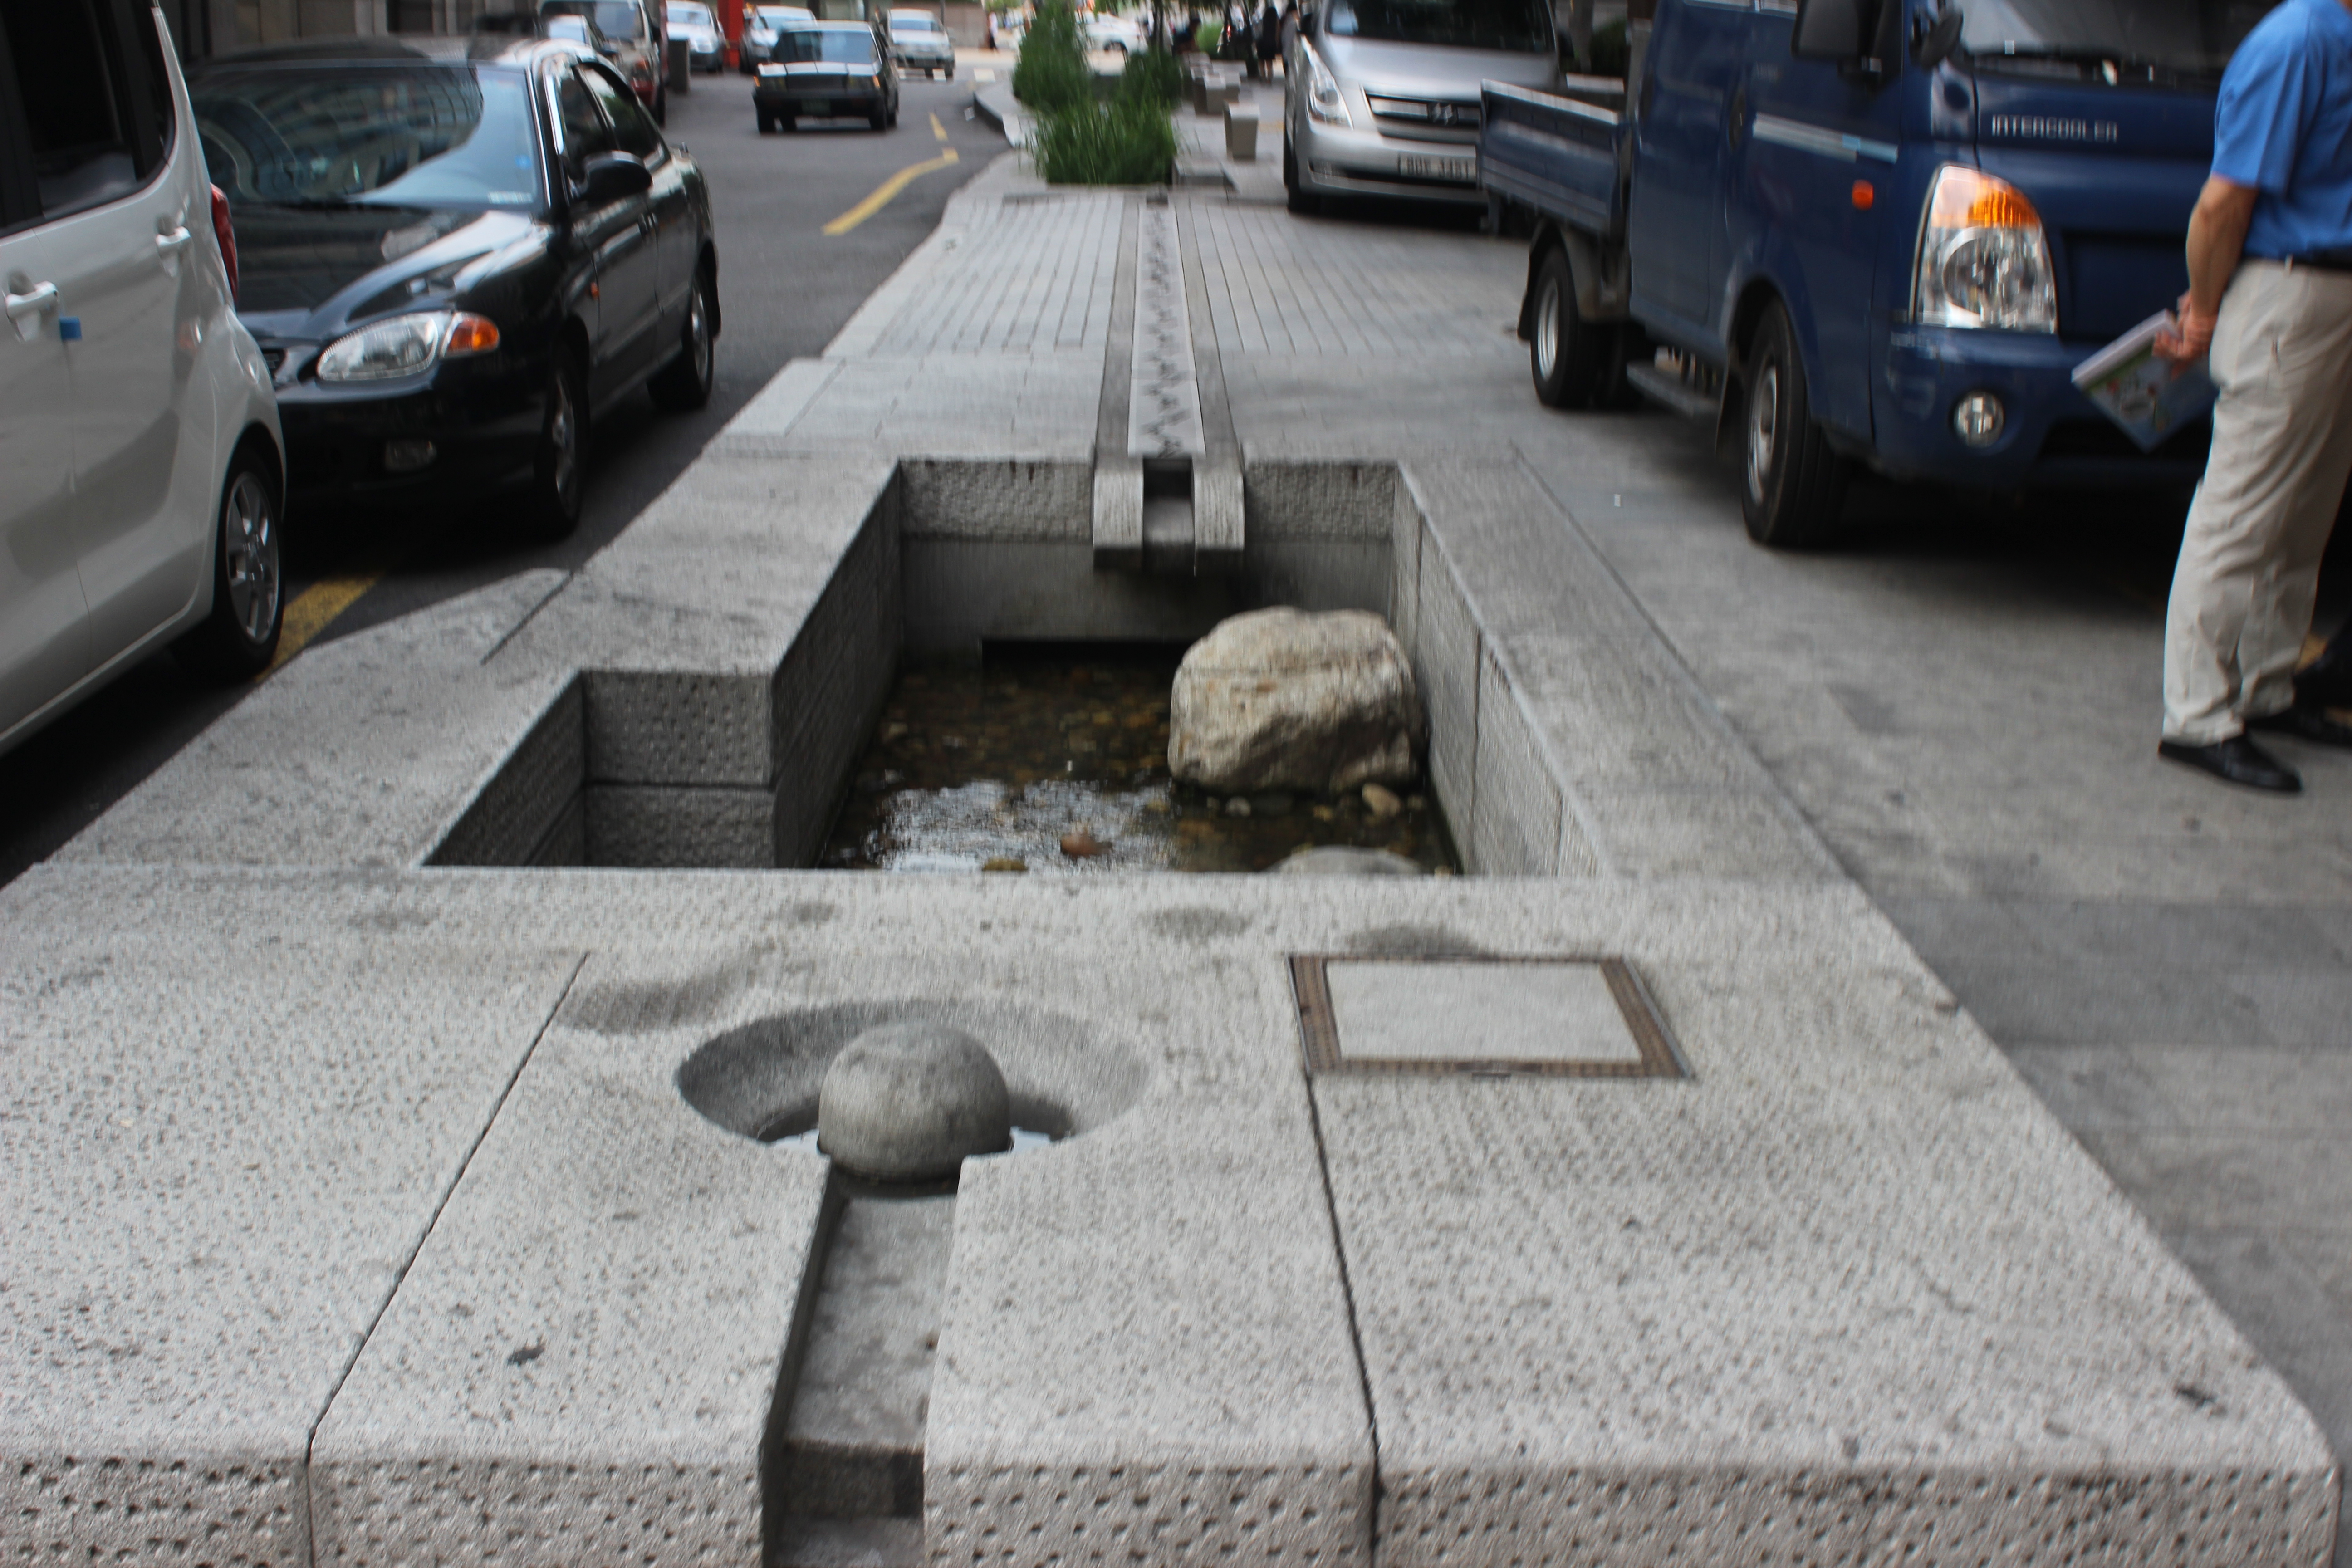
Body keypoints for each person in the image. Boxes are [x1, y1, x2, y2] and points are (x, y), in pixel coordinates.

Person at [2151, 0, 2352, 792]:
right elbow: (2220, 203)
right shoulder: (2297, 40)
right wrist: (2201, 309)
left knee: (2303, 510)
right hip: (2287, 292)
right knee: (2239, 510)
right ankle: (2195, 714)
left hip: (2324, 295)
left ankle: (2266, 686)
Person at [1256, 0, 1279, 78]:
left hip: (1262, 43)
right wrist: (1277, 43)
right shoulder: (1276, 22)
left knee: (1261, 62)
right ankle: (1269, 79)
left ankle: (1263, 77)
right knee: (1270, 64)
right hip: (1271, 44)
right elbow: (1277, 33)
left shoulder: (1263, 21)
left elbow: (1258, 31)